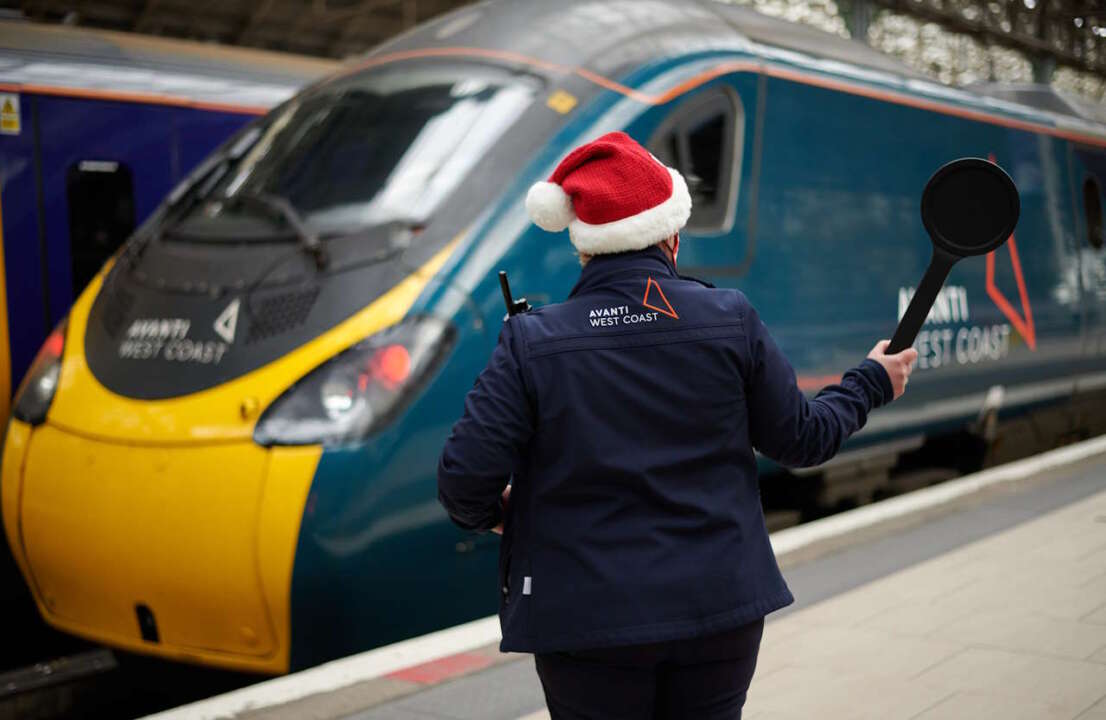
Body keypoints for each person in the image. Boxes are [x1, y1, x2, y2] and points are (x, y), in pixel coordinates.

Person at [437, 131, 917, 719]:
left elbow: (463, 479)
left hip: (588, 624)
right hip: (717, 613)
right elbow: (802, 439)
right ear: (670, 236)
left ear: (583, 249)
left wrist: (502, 513)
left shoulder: (532, 340)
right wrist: (872, 379)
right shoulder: (729, 317)